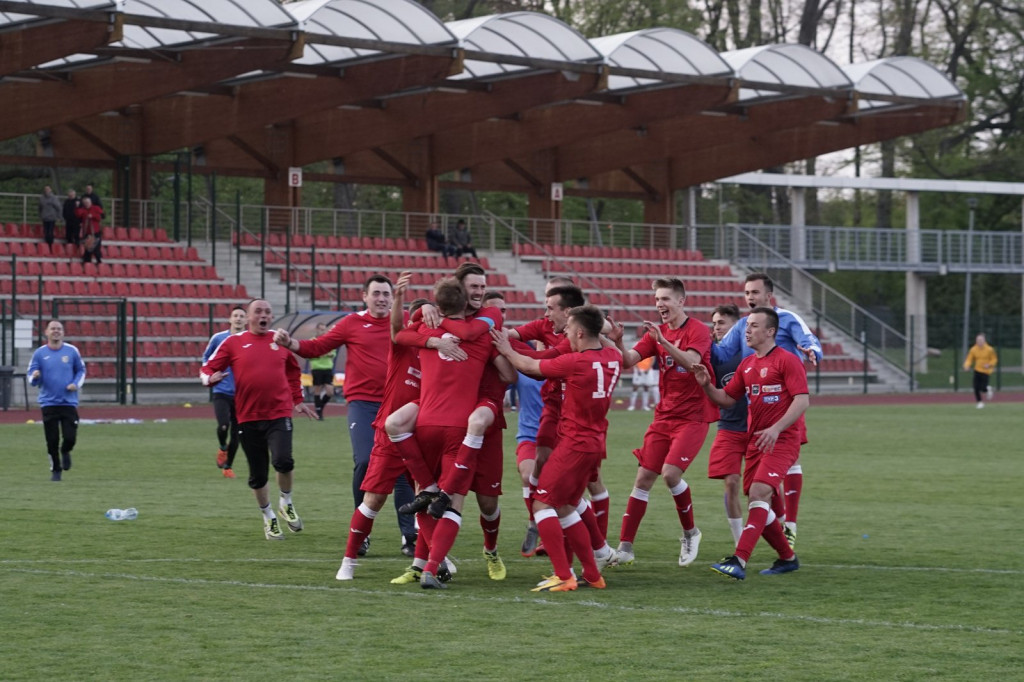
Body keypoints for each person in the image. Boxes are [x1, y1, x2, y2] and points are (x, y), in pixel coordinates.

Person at [273, 275, 417, 556]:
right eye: (376, 293)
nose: (382, 299)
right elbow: (317, 347)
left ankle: (409, 536)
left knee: (403, 470)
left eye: (386, 294)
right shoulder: (351, 323)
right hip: (363, 404)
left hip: (398, 404)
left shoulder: (403, 320)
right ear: (364, 296)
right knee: (364, 461)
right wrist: (291, 343)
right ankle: (361, 533)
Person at [335, 273, 462, 581]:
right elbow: (398, 328)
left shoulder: (440, 350)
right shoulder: (403, 343)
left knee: (425, 498)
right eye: (419, 320)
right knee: (374, 499)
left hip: (421, 436)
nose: (424, 324)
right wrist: (420, 308)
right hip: (389, 434)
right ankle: (349, 560)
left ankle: (432, 559)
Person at [491, 304, 622, 592]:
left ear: (579, 332)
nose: (565, 336)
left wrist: (505, 348)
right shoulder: (613, 356)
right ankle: (592, 573)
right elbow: (611, 343)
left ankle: (564, 574)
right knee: (567, 505)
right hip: (595, 442)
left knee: (542, 502)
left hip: (574, 443)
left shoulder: (576, 362)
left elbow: (531, 367)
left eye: (568, 331)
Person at [607, 277, 717, 569]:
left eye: (666, 299)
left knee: (670, 474)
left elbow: (691, 364)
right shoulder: (658, 332)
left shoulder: (698, 330)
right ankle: (625, 548)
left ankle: (691, 533)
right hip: (664, 415)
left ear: (681, 301)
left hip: (693, 416)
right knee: (643, 479)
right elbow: (629, 360)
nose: (660, 304)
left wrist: (663, 341)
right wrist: (618, 341)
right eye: (657, 299)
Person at [693, 307, 807, 580]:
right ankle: (787, 557)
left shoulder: (787, 361)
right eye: (747, 325)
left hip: (781, 440)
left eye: (754, 325)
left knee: (758, 493)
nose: (747, 330)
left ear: (770, 332)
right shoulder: (747, 365)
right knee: (757, 498)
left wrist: (776, 429)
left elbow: (802, 400)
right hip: (757, 441)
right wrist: (707, 385)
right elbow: (726, 399)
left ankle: (739, 559)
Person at [711, 273, 822, 547]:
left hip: (786, 404)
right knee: (760, 475)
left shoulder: (786, 319)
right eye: (747, 292)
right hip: (755, 407)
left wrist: (811, 352)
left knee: (788, 460)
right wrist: (696, 345)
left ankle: (790, 525)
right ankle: (779, 524)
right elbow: (721, 354)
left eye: (755, 292)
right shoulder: (742, 326)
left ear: (768, 295)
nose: (750, 297)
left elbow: (809, 340)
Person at [200, 299, 318, 540]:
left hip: (279, 413)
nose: (264, 315)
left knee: (284, 460)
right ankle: (268, 517)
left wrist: (297, 400)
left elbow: (293, 372)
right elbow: (207, 368)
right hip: (247, 416)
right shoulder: (233, 342)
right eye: (258, 311)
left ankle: (286, 501)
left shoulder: (280, 340)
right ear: (249, 317)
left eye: (268, 311)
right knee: (258, 474)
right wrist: (208, 379)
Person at [707, 304, 748, 544]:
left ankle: (784, 524)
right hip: (729, 426)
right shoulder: (713, 354)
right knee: (731, 482)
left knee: (763, 489)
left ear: (737, 326)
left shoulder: (748, 352)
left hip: (757, 427)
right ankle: (739, 543)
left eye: (721, 323)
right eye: (714, 323)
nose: (716, 328)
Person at [27, 320, 86, 482]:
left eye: (59, 329)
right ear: (46, 332)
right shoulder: (39, 353)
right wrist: (35, 377)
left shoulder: (72, 351)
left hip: (68, 402)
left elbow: (81, 370)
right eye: (53, 329)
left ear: (63, 332)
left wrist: (76, 384)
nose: (56, 331)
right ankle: (56, 470)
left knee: (70, 437)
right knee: (51, 440)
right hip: (48, 403)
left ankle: (66, 450)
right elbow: (31, 374)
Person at [202, 305, 247, 479]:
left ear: (246, 320)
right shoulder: (218, 338)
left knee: (238, 433)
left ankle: (228, 467)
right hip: (221, 391)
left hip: (242, 394)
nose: (238, 318)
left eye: (241, 316)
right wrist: (212, 374)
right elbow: (206, 358)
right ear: (230, 319)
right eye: (235, 315)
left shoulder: (250, 339)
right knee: (223, 425)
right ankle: (222, 448)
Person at [308, 323, 337, 420]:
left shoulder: (328, 340)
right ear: (317, 330)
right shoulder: (312, 341)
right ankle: (319, 412)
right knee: (317, 390)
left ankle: (320, 407)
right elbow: (310, 354)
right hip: (317, 368)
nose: (323, 332)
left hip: (328, 368)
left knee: (330, 391)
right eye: (321, 329)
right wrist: (321, 354)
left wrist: (322, 353)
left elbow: (332, 353)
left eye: (324, 330)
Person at [627, 326, 658, 411]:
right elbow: (632, 356)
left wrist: (649, 368)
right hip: (638, 369)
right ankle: (632, 405)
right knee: (635, 387)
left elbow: (653, 358)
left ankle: (645, 406)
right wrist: (636, 368)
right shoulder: (637, 344)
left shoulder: (653, 345)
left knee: (646, 387)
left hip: (648, 370)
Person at [963, 333, 997, 409]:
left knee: (983, 388)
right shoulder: (973, 349)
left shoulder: (989, 349)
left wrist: (989, 364)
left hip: (986, 371)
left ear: (984, 340)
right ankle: (980, 402)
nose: (979, 342)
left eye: (981, 340)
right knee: (976, 387)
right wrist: (966, 366)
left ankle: (988, 389)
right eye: (978, 340)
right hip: (977, 370)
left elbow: (994, 359)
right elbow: (969, 359)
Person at [76, 196, 104, 264]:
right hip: (87, 233)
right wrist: (77, 206)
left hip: (95, 232)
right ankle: (87, 263)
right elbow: (78, 214)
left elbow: (100, 217)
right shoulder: (83, 209)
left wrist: (93, 216)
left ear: (90, 202)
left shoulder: (96, 208)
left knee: (96, 249)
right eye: (85, 203)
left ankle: (99, 262)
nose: (86, 204)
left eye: (87, 202)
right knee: (88, 249)